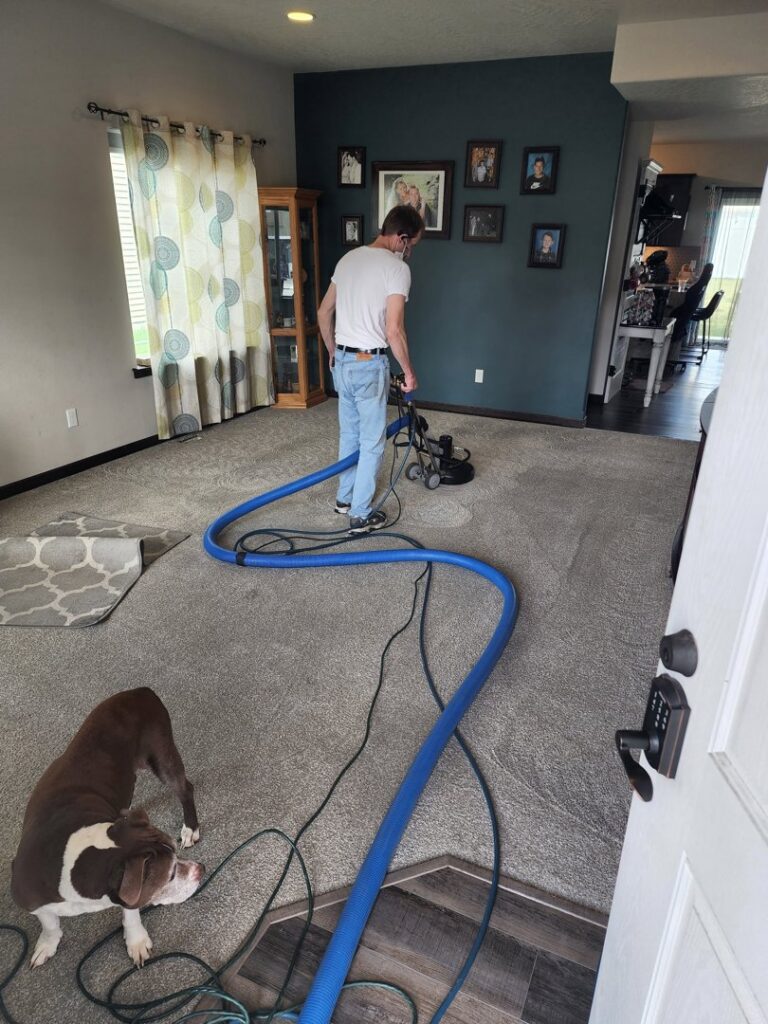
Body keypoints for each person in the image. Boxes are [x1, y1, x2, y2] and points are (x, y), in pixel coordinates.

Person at [318, 205, 423, 534]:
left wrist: (333, 352)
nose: (410, 253)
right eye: (412, 246)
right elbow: (394, 331)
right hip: (368, 364)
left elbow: (323, 312)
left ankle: (344, 499)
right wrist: (409, 372)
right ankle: (360, 515)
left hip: (344, 363)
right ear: (401, 238)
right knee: (373, 441)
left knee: (349, 435)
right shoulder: (396, 268)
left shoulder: (348, 260)